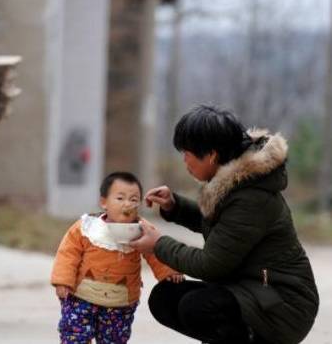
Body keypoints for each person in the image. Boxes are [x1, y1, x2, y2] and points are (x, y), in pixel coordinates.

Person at [129, 105, 319, 344]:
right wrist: (173, 206)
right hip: (253, 291)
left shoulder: (252, 197)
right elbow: (222, 228)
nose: (184, 159)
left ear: (211, 155)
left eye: (188, 152)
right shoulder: (234, 183)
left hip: (282, 305)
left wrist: (158, 244)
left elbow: (210, 265)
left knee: (197, 307)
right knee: (165, 298)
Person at [51, 171, 183, 344]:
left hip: (120, 302)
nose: (127, 204)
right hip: (81, 297)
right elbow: (68, 253)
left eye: (134, 199)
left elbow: (155, 251)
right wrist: (63, 281)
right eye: (120, 198)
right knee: (74, 336)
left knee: (114, 339)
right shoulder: (87, 227)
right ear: (104, 202)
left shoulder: (142, 229)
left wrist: (169, 271)